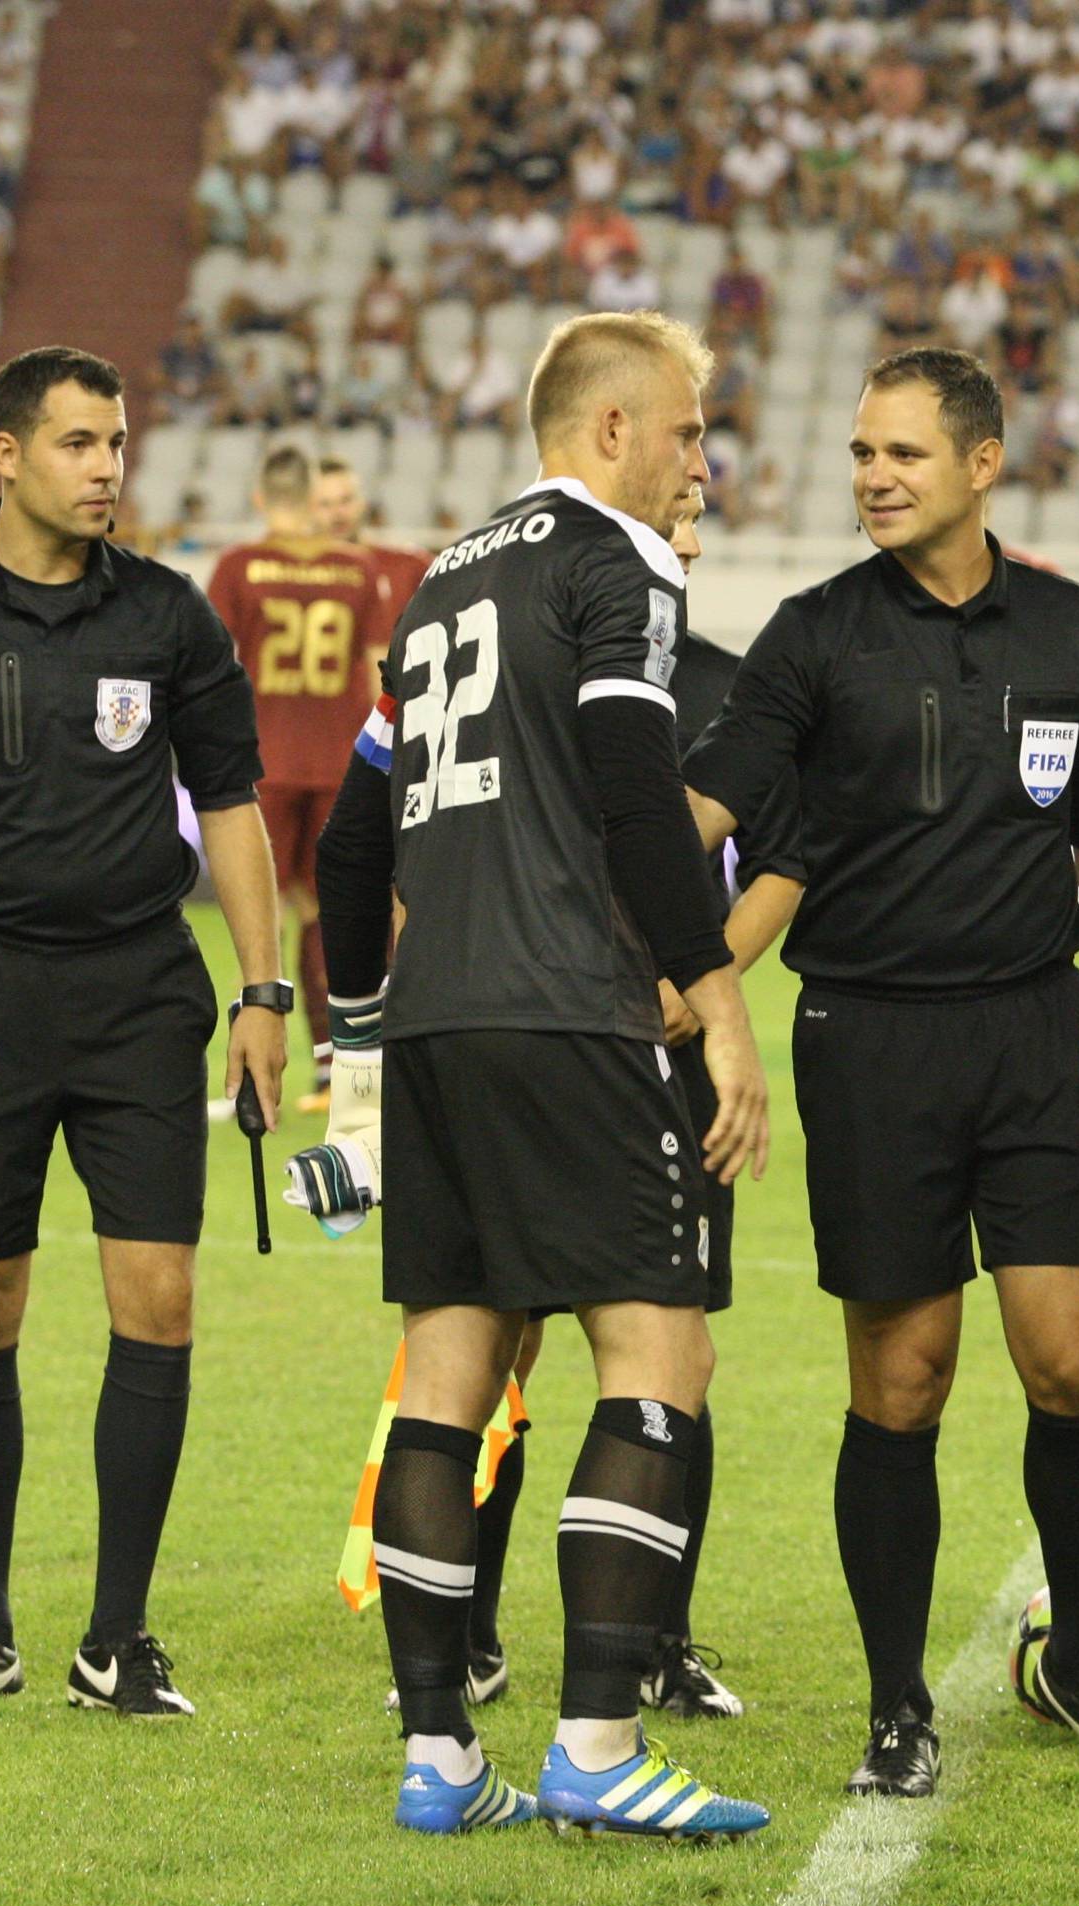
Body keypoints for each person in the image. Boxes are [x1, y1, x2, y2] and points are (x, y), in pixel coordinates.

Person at [683, 346, 1079, 1801]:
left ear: (982, 463)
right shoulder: (811, 633)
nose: (873, 478)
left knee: (1070, 1364)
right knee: (901, 1386)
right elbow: (708, 800)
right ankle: (898, 1704)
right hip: (869, 1037)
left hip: (1040, 1034)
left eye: (901, 454)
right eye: (859, 454)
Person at [309, 311, 772, 1838]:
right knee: (660, 1357)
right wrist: (716, 998)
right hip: (568, 1009)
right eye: (693, 431)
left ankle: (439, 1759)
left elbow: (352, 843)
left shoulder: (441, 575)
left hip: (440, 1022)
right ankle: (593, 1744)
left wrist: (370, 1022)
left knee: (450, 1375)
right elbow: (641, 792)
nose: (703, 461)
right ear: (618, 427)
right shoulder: (617, 561)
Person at [373, 487, 805, 1724]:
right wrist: (710, 994)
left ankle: (627, 1646)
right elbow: (600, 814)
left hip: (516, 1017)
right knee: (627, 1349)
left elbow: (787, 851)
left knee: (581, 1354)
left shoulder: (715, 679)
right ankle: (525, 1667)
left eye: (701, 505)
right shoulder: (567, 622)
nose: (691, 523)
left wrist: (703, 967)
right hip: (575, 1017)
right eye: (679, 483)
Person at [0, 346, 285, 1717]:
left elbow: (233, 803)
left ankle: (119, 1637)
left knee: (158, 1302)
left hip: (143, 990)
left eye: (119, 443)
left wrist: (266, 995)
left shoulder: (166, 615)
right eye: (82, 444)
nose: (108, 469)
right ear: (9, 456)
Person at [208, 444, 394, 1110]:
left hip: (261, 764)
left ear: (262, 497)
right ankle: (332, 1064)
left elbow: (211, 668)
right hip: (342, 765)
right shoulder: (355, 567)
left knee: (256, 914)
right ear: (312, 496)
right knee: (330, 916)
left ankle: (255, 1070)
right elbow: (380, 670)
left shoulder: (237, 566)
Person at [312, 453, 431, 618]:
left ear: (362, 503)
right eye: (325, 504)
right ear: (308, 510)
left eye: (345, 500)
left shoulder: (410, 567)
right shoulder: (296, 578)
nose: (337, 513)